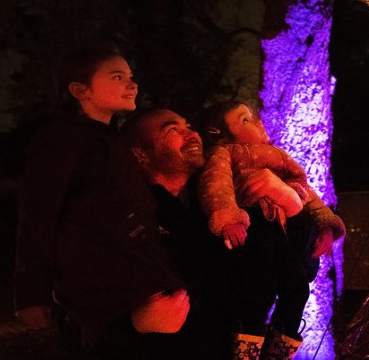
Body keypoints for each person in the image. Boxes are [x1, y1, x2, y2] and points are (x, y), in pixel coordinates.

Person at [13, 43, 190, 359]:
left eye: (131, 76)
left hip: (138, 281)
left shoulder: (113, 144)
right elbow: (38, 213)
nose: (132, 84)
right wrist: (31, 292)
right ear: (81, 90)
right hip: (102, 292)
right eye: (118, 77)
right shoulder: (60, 139)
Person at [121, 108, 302, 359]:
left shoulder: (227, 201)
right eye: (172, 129)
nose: (191, 133)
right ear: (140, 154)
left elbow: (301, 270)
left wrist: (290, 201)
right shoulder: (129, 218)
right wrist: (134, 324)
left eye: (188, 125)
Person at [194, 100, 346, 359]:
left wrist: (327, 227)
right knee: (260, 289)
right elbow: (216, 186)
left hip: (281, 233)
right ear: (217, 132)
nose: (257, 122)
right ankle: (245, 350)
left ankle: (279, 351)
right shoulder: (225, 153)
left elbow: (308, 196)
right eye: (244, 120)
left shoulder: (280, 159)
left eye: (253, 117)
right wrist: (228, 218)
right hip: (255, 224)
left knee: (298, 287)